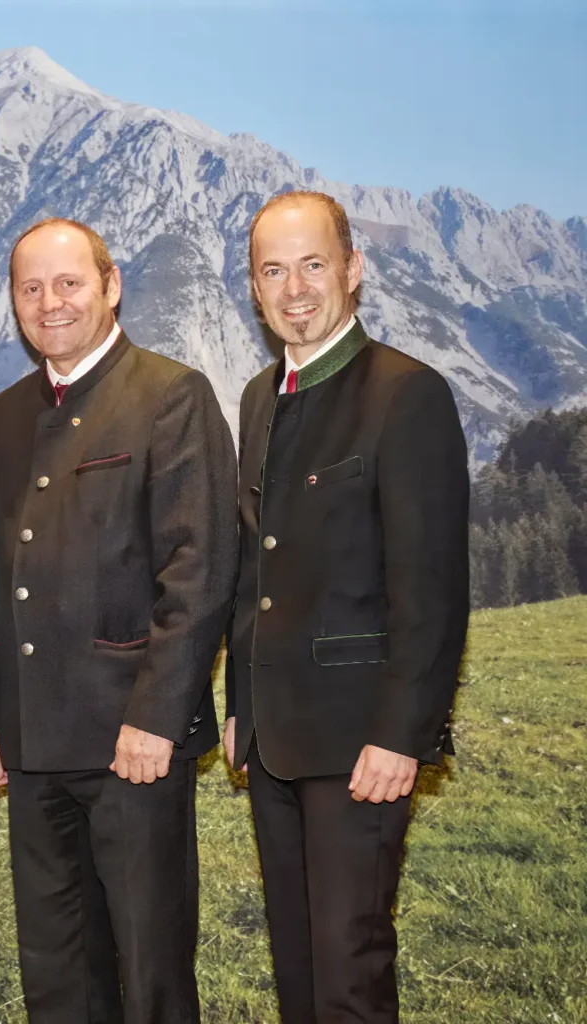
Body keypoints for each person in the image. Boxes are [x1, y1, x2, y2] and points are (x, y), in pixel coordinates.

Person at [0, 218, 238, 1023]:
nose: (50, 302)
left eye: (69, 283)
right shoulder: (6, 415)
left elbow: (202, 569)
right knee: (55, 975)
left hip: (132, 746)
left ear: (111, 287)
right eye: (31, 287)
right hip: (32, 741)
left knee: (150, 974)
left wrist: (157, 716)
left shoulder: (170, 394)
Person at [225, 190, 469, 1023]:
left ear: (353, 271)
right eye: (273, 270)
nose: (294, 289)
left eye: (313, 265)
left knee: (349, 975)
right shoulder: (260, 397)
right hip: (273, 741)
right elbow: (253, 567)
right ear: (255, 291)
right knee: (296, 969)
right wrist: (238, 707)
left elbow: (431, 592)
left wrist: (403, 734)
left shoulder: (409, 395)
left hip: (362, 744)